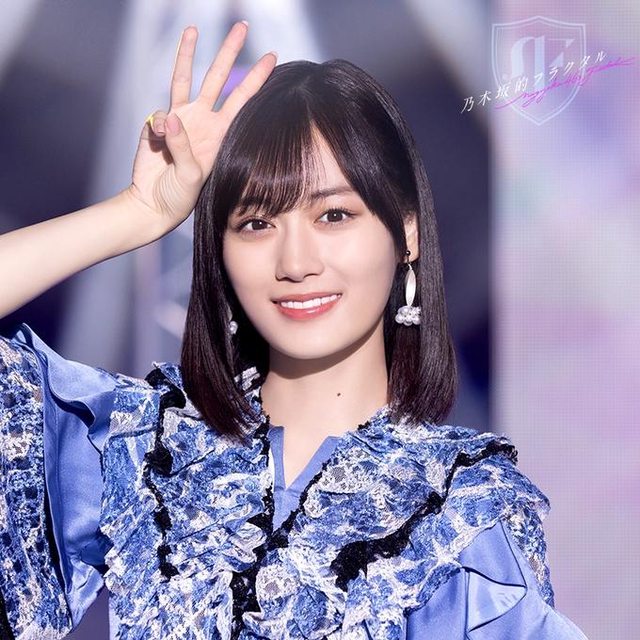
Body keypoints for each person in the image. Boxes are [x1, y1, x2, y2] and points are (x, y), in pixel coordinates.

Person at [0, 21, 588, 640]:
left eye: (334, 215)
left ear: (406, 232)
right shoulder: (137, 449)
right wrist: (135, 213)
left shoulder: (461, 512)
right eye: (256, 223)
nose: (296, 262)